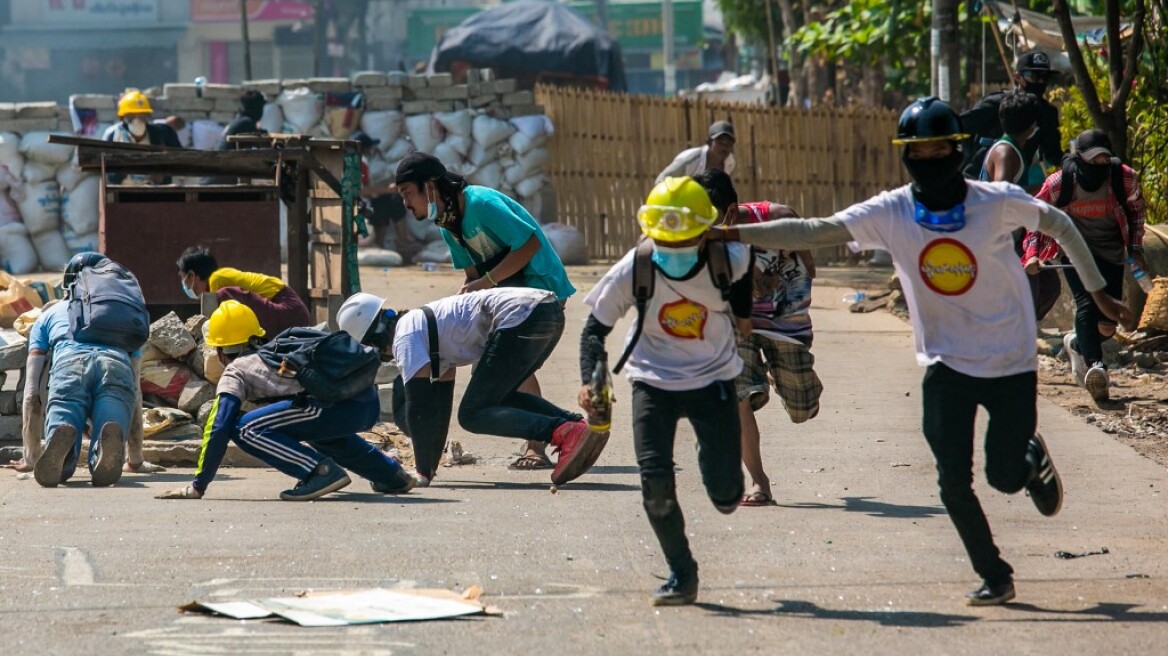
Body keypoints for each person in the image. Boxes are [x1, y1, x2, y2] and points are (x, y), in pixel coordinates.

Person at [713, 97, 1132, 606]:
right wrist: (728, 231)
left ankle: (1028, 457)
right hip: (945, 362)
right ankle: (995, 574)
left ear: (957, 151)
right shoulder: (892, 211)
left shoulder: (993, 200)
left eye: (941, 150)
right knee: (952, 481)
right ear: (907, 156)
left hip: (1008, 359)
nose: (931, 159)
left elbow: (1059, 225)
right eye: (920, 150)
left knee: (1001, 476)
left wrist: (1097, 291)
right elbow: (813, 231)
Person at [577, 176, 754, 606]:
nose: (673, 246)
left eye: (684, 236)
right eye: (665, 236)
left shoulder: (730, 260)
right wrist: (591, 380)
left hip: (713, 381)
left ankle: (712, 459)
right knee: (655, 485)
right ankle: (682, 574)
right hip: (651, 382)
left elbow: (744, 309)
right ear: (651, 229)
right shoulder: (635, 266)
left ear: (704, 229)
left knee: (728, 496)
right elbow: (593, 331)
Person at [394, 152, 575, 470]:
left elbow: (529, 244)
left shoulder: (481, 202)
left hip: (542, 285)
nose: (406, 204)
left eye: (408, 193)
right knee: (500, 368)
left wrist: (488, 281)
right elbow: (472, 277)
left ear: (429, 187)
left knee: (513, 370)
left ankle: (540, 443)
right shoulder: (447, 225)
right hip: (508, 294)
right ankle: (564, 428)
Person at [336, 289, 599, 488]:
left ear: (375, 338)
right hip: (545, 311)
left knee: (473, 414)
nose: (385, 356)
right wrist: (429, 468)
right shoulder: (426, 331)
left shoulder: (406, 337)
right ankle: (577, 427)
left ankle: (564, 432)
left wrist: (419, 471)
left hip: (523, 317)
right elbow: (438, 409)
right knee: (499, 397)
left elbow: (419, 406)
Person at [155, 301, 415, 501]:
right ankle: (391, 476)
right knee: (318, 433)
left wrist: (198, 484)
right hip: (364, 403)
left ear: (220, 352)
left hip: (333, 407)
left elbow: (220, 425)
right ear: (255, 336)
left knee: (244, 428)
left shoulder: (236, 370)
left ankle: (319, 472)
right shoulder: (278, 349)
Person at [693, 170, 823, 507]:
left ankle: (790, 386)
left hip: (786, 324)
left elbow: (809, 262)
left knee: (802, 409)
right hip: (738, 325)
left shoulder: (777, 218)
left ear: (731, 211)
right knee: (737, 394)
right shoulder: (697, 238)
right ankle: (758, 482)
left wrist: (775, 282)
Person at [1023, 129, 1148, 402]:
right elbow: (1035, 217)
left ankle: (1077, 343)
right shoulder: (1060, 182)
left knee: (1107, 324)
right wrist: (1032, 254)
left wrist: (1136, 249)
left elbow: (1137, 213)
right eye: (1093, 161)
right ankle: (1097, 367)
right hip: (1075, 251)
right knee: (1087, 303)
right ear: (1078, 159)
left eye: (1105, 160)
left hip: (1112, 252)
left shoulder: (1124, 177)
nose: (1099, 166)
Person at [25, 253, 143, 488]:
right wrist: (137, 459)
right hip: (115, 362)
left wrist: (30, 457)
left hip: (70, 363)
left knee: (65, 415)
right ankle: (105, 448)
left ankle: (63, 450)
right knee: (113, 416)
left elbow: (31, 393)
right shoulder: (122, 317)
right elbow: (136, 391)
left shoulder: (48, 315)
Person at [981, 91, 1062, 322]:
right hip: (1003, 240)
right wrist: (1042, 189)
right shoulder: (1006, 152)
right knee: (1032, 294)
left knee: (1048, 287)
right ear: (1032, 125)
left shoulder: (1010, 148)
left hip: (1014, 236)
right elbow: (1002, 194)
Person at [961, 50, 1063, 176]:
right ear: (1017, 77)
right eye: (1034, 76)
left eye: (1045, 78)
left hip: (1015, 180)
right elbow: (961, 126)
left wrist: (1073, 161)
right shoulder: (996, 104)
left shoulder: (1046, 113)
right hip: (975, 182)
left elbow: (1053, 153)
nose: (1040, 82)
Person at [177, 246, 313, 337]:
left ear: (191, 275)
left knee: (224, 296)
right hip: (291, 312)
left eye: (182, 277)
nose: (183, 282)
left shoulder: (216, 280)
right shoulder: (219, 278)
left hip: (289, 311)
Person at [103, 90, 182, 185]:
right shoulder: (114, 137)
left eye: (141, 116)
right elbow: (110, 176)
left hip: (156, 194)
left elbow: (181, 160)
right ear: (122, 118)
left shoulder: (162, 133)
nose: (137, 121)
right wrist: (125, 166)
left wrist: (163, 173)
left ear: (148, 117)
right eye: (131, 116)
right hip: (124, 194)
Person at [655, 120, 737, 185]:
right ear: (708, 142)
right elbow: (660, 180)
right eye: (720, 142)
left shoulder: (729, 162)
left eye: (729, 143)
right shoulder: (690, 161)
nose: (724, 147)